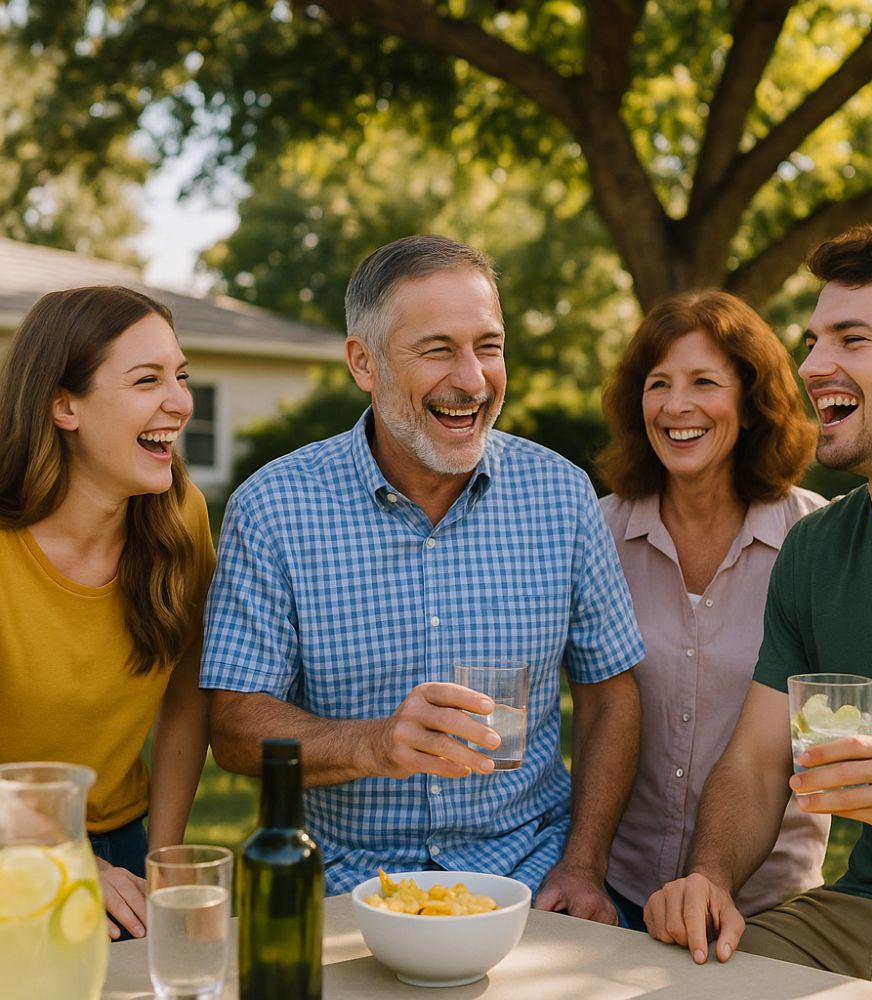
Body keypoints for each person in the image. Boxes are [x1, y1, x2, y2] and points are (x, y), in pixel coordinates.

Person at [201, 234, 645, 921]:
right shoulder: (275, 508)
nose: (471, 379)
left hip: (529, 876)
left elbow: (611, 693)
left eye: (488, 345)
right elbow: (232, 727)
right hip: (347, 885)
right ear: (363, 363)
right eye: (437, 349)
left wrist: (583, 866)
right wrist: (374, 743)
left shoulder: (561, 495)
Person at [645, 227, 872, 999]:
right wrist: (709, 878)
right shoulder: (814, 549)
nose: (811, 366)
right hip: (843, 916)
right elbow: (756, 765)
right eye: (811, 341)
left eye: (852, 338)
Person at [597, 291, 829, 931]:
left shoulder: (818, 538)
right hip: (619, 895)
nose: (677, 406)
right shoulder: (598, 534)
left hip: (773, 911)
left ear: (753, 403)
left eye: (704, 382)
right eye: (658, 384)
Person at [0, 285, 215, 940]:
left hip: (120, 850)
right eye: (146, 379)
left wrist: (166, 858)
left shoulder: (181, 518)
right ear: (64, 404)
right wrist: (56, 861)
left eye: (179, 376)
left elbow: (187, 696)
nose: (178, 401)